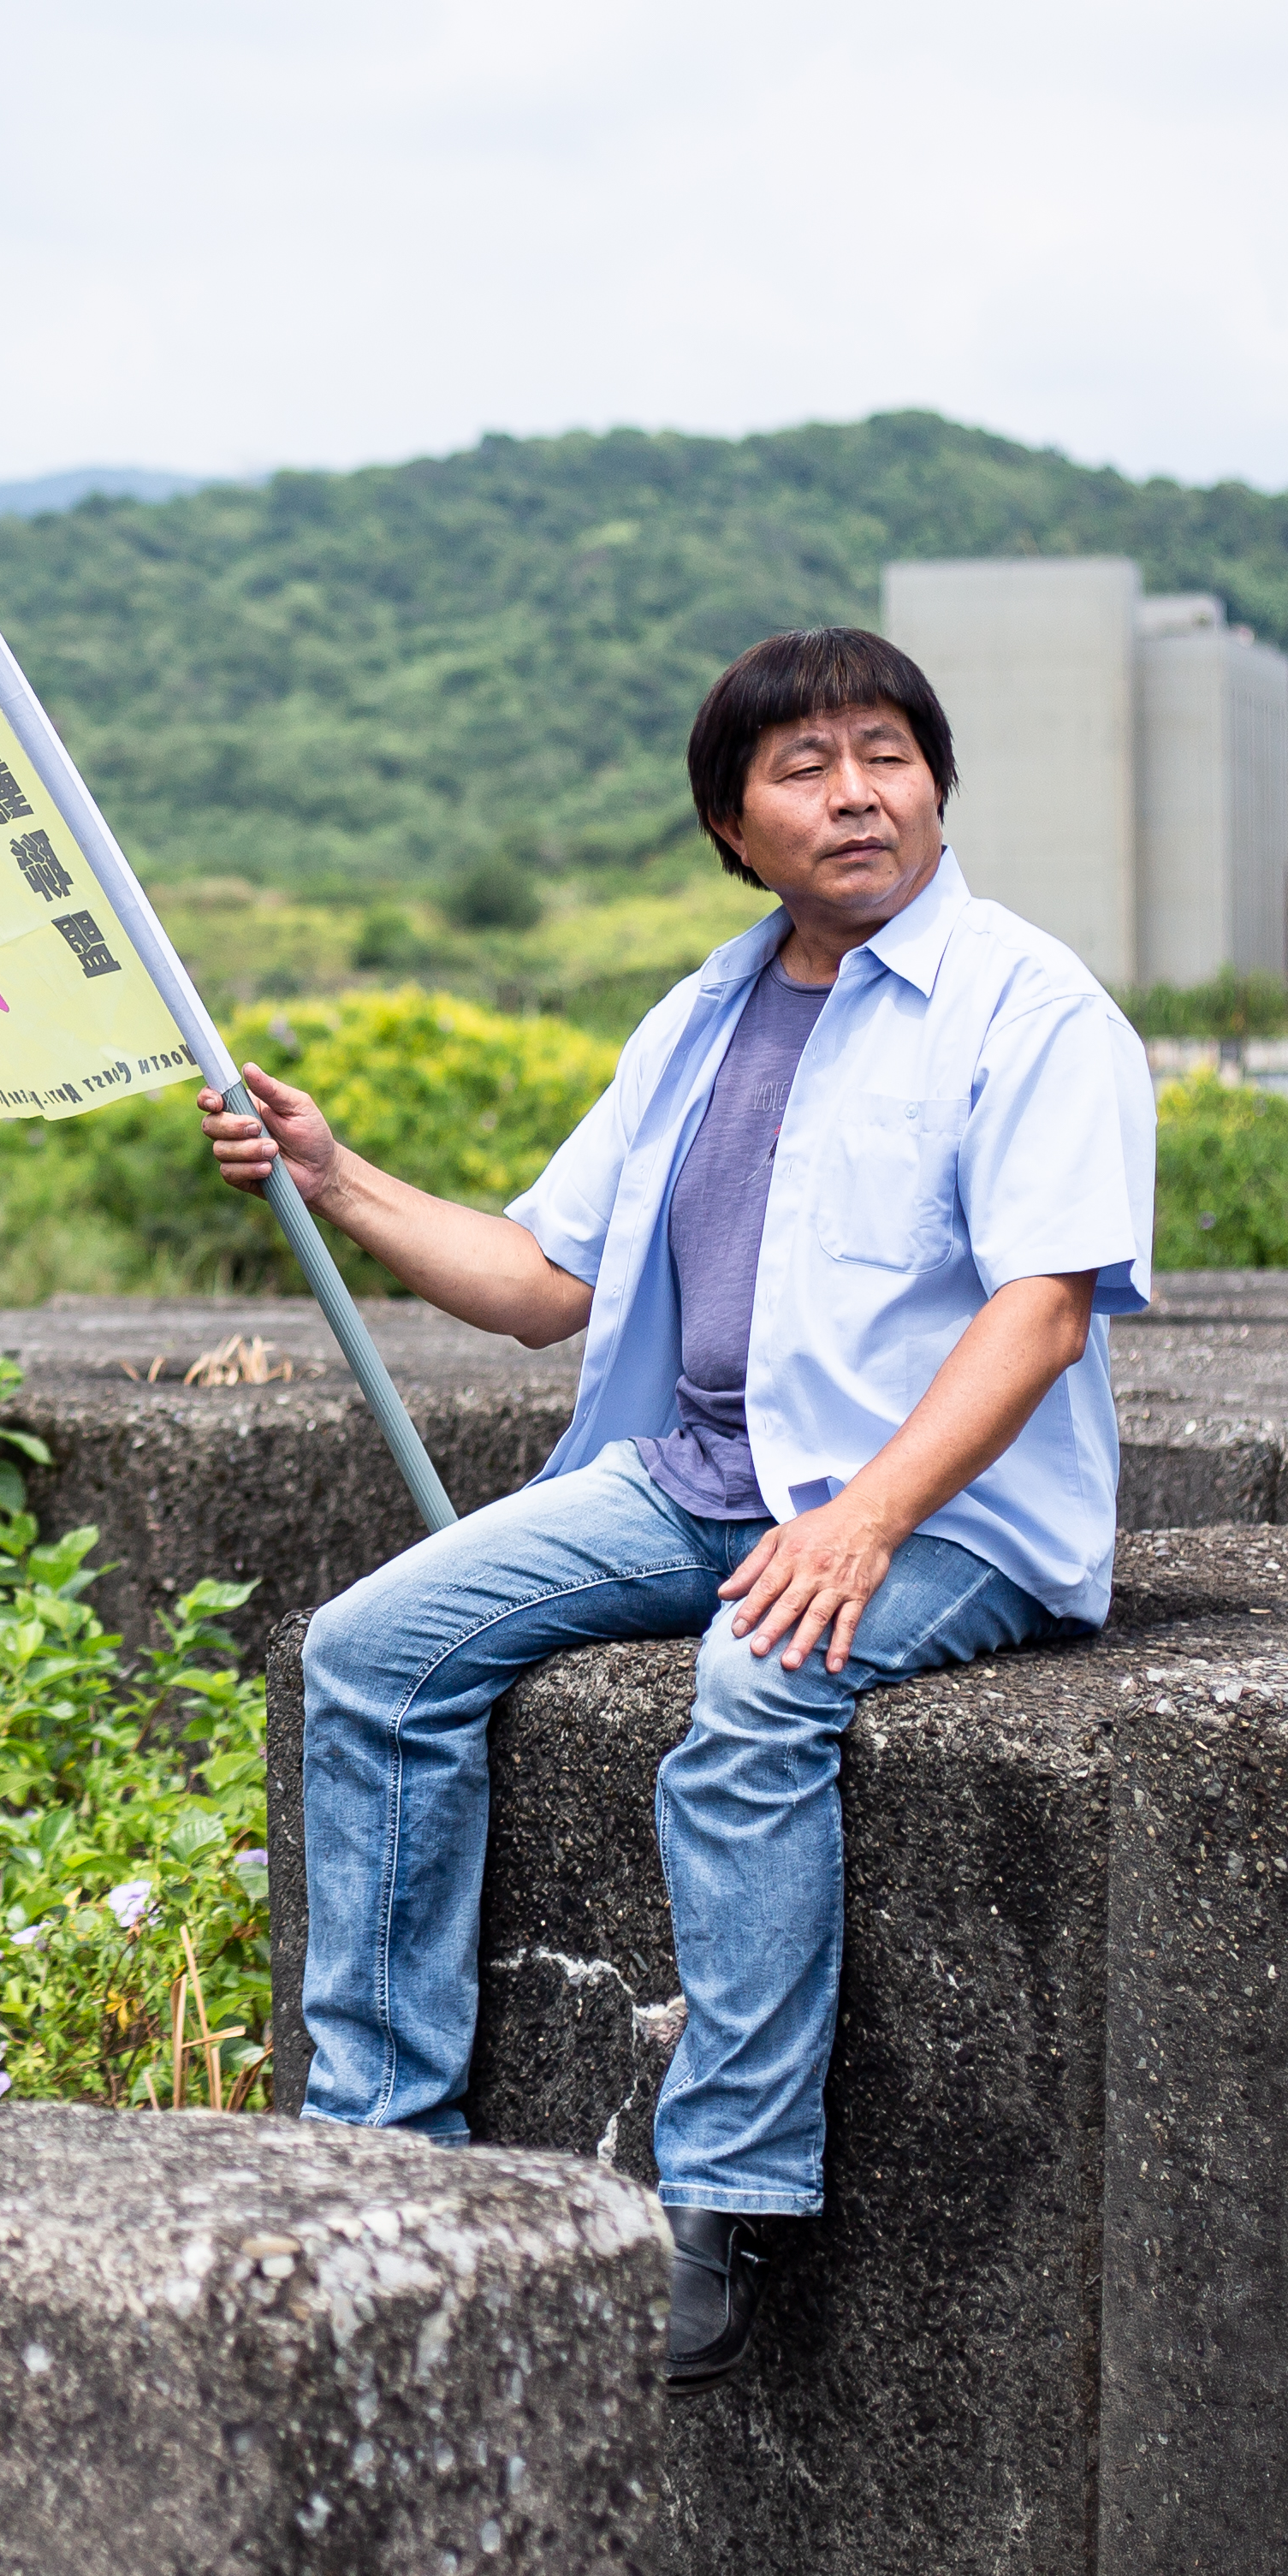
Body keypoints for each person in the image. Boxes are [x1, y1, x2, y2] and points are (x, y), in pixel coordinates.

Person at [201, 627, 1153, 2388]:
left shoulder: (1029, 1010)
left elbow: (1044, 1308)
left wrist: (864, 1519)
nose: (855, 792)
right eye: (803, 768)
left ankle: (724, 2197)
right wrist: (339, 1181)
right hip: (701, 1475)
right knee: (371, 1652)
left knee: (756, 1692)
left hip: (946, 1516)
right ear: (734, 825)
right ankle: (384, 2152)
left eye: (887, 753)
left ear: (940, 783)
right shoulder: (704, 1017)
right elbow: (544, 1278)